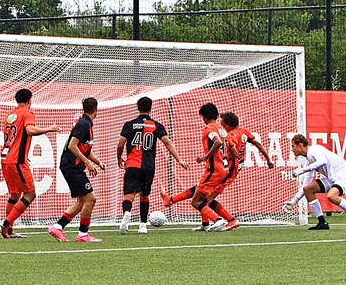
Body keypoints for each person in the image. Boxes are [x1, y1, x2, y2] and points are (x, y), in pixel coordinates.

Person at [116, 96, 188, 234]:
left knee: (129, 195)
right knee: (144, 195)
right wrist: (179, 160)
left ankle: (127, 213)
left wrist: (119, 158)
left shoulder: (129, 124)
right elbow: (167, 143)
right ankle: (143, 225)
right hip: (148, 166)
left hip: (132, 164)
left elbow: (120, 144)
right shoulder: (156, 125)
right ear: (151, 108)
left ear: (138, 108)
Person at [159, 103, 234, 232]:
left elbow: (218, 142)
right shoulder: (221, 129)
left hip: (214, 170)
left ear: (203, 116)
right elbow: (231, 147)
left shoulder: (209, 129)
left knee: (196, 201)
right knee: (198, 191)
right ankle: (204, 223)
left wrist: (206, 157)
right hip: (223, 169)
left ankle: (217, 220)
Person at [0, 88, 61, 238]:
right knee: (30, 194)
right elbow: (30, 130)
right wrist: (49, 129)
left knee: (15, 194)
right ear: (29, 100)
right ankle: (6, 224)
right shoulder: (28, 113)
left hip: (6, 159)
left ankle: (9, 230)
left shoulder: (10, 115)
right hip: (17, 161)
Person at [48, 97, 106, 242]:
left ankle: (58, 227)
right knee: (91, 199)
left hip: (72, 166)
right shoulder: (84, 124)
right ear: (96, 110)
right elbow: (72, 146)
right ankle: (82, 234)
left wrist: (97, 162)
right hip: (72, 166)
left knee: (82, 202)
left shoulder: (86, 123)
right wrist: (87, 163)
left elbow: (84, 148)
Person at [211, 111, 276, 230]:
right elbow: (258, 144)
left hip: (228, 171)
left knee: (206, 198)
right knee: (204, 193)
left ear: (228, 125)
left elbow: (234, 153)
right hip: (232, 170)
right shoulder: (244, 132)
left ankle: (229, 220)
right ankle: (207, 223)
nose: (220, 126)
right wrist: (268, 159)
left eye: (221, 123)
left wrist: (222, 157)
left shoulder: (230, 135)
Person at [284, 134, 346, 230]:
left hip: (345, 175)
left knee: (332, 196)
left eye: (293, 146)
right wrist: (294, 201)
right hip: (333, 178)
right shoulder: (308, 160)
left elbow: (323, 161)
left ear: (300, 145)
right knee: (308, 189)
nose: (292, 149)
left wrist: (302, 170)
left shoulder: (314, 149)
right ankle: (322, 222)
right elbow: (306, 184)